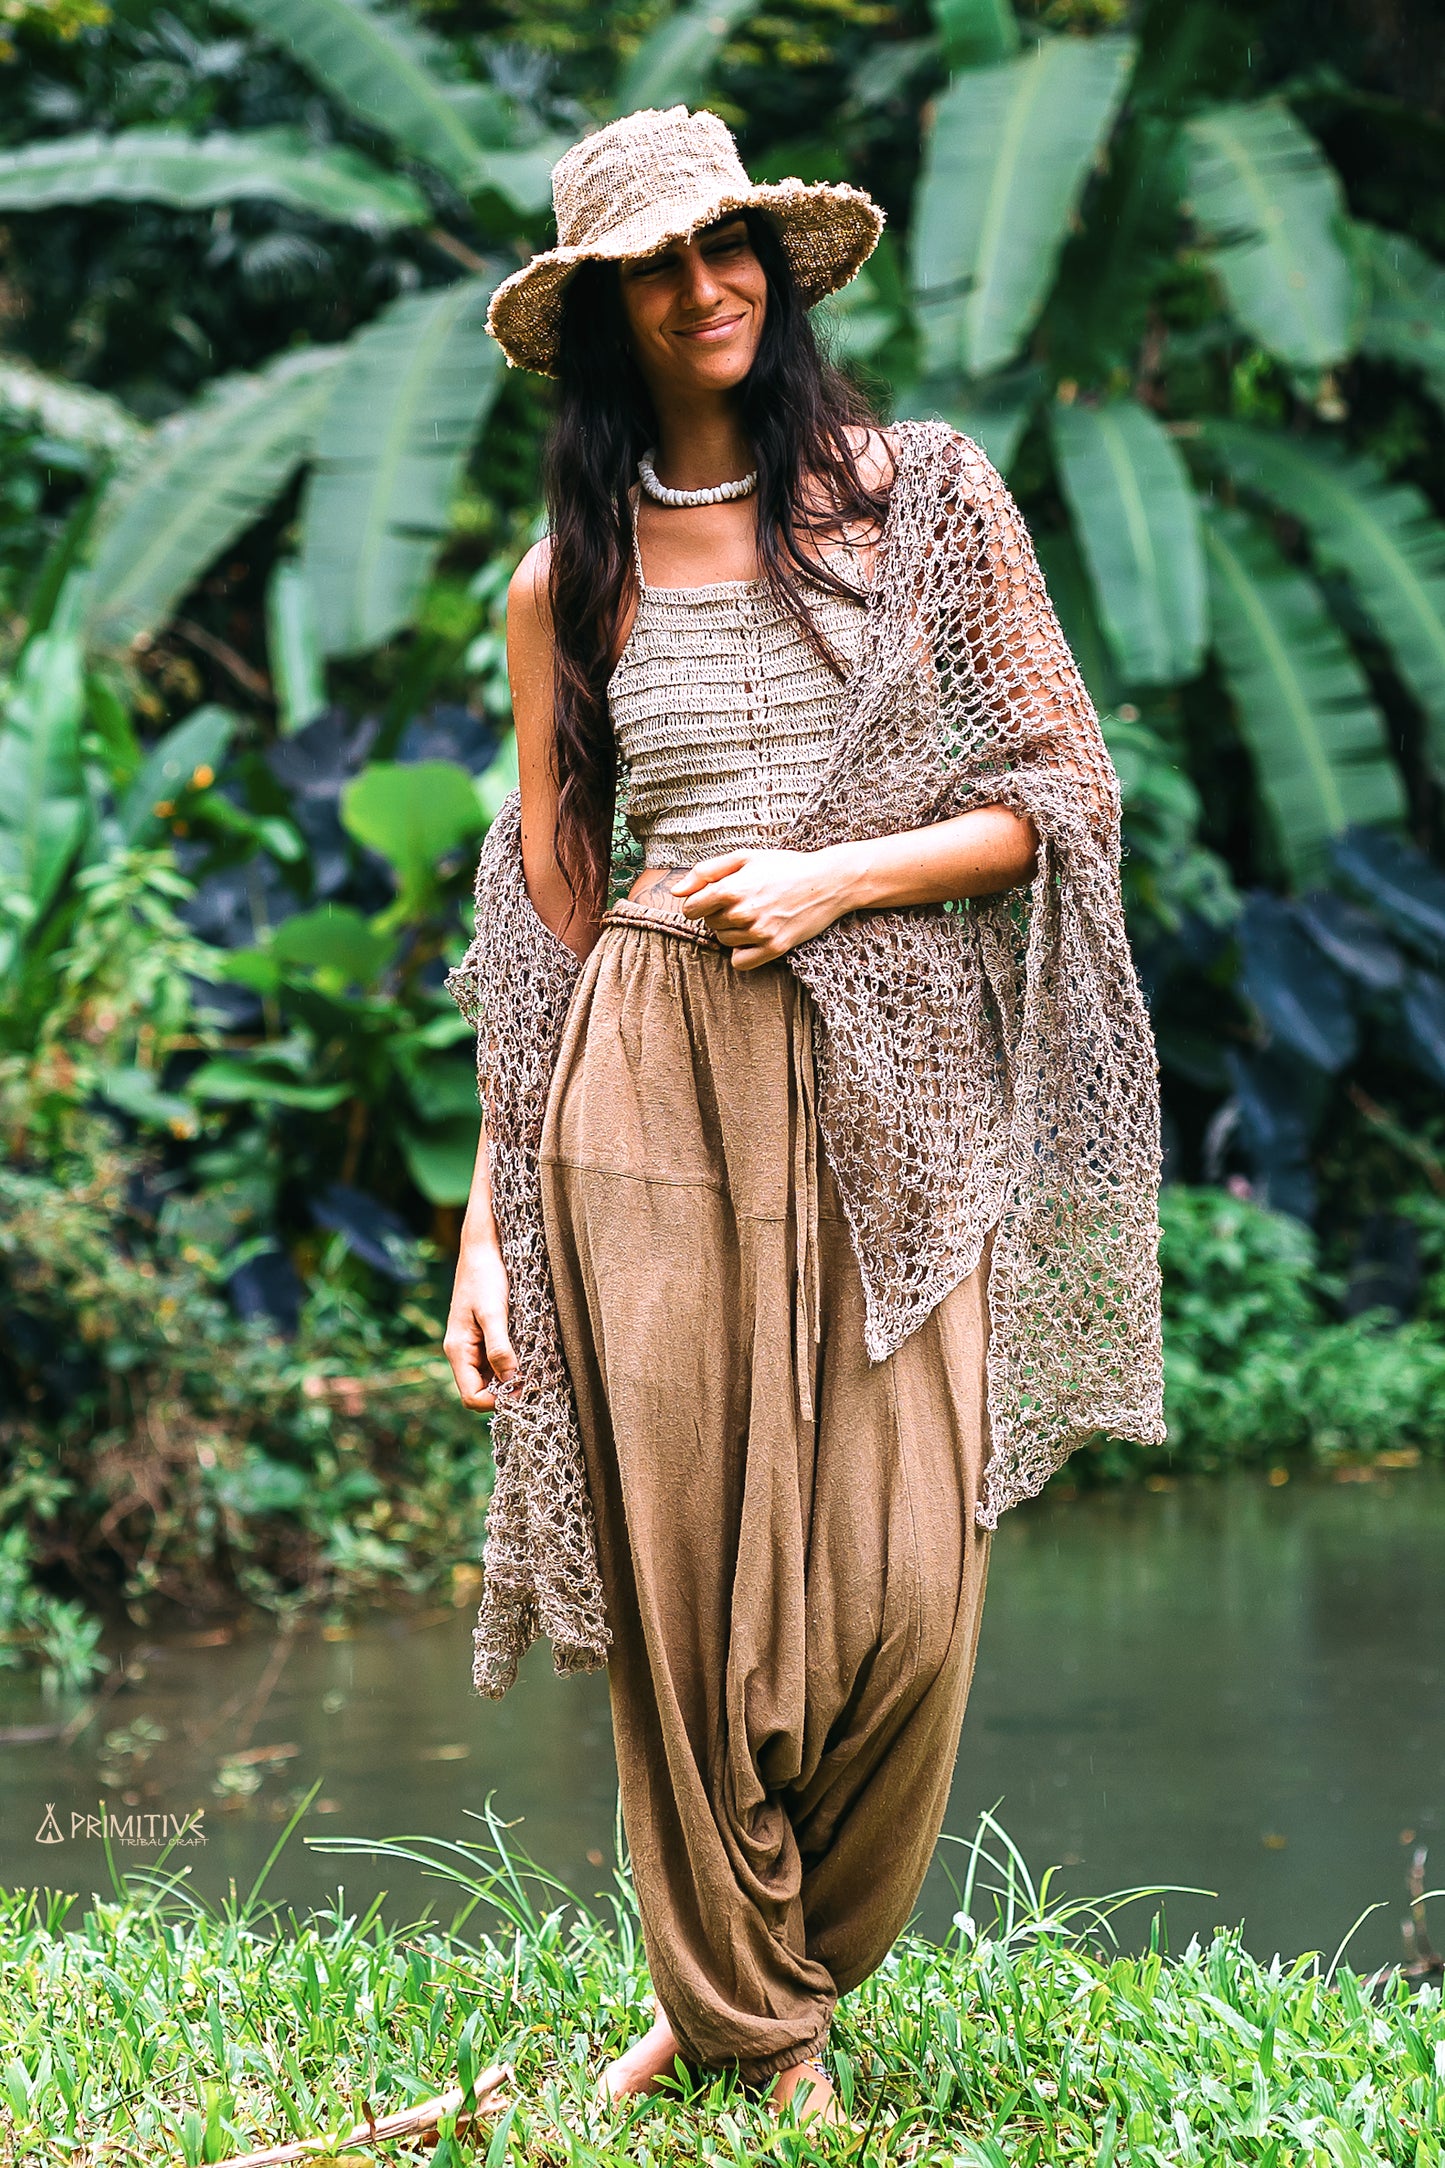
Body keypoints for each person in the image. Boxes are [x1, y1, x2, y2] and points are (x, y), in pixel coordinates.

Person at [443, 105, 1164, 2131]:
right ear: (604, 317)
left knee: (902, 1590)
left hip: (887, 1078)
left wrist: (837, 877)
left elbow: (1063, 797)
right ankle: (756, 2021)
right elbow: (547, 913)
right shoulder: (558, 584)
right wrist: (495, 1219)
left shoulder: (917, 499)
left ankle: (762, 1970)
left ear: (781, 256)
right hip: (645, 1083)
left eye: (734, 242)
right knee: (692, 1590)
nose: (712, 282)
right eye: (663, 265)